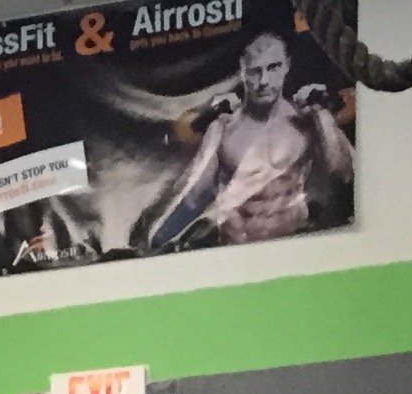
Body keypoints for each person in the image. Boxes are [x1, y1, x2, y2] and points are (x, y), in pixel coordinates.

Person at [144, 31, 353, 249]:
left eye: (273, 67)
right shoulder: (224, 129)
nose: (264, 81)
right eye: (255, 71)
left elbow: (343, 172)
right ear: (242, 72)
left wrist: (322, 115)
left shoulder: (304, 121)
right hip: (240, 249)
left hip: (294, 245)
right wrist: (158, 240)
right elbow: (195, 195)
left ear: (287, 66)